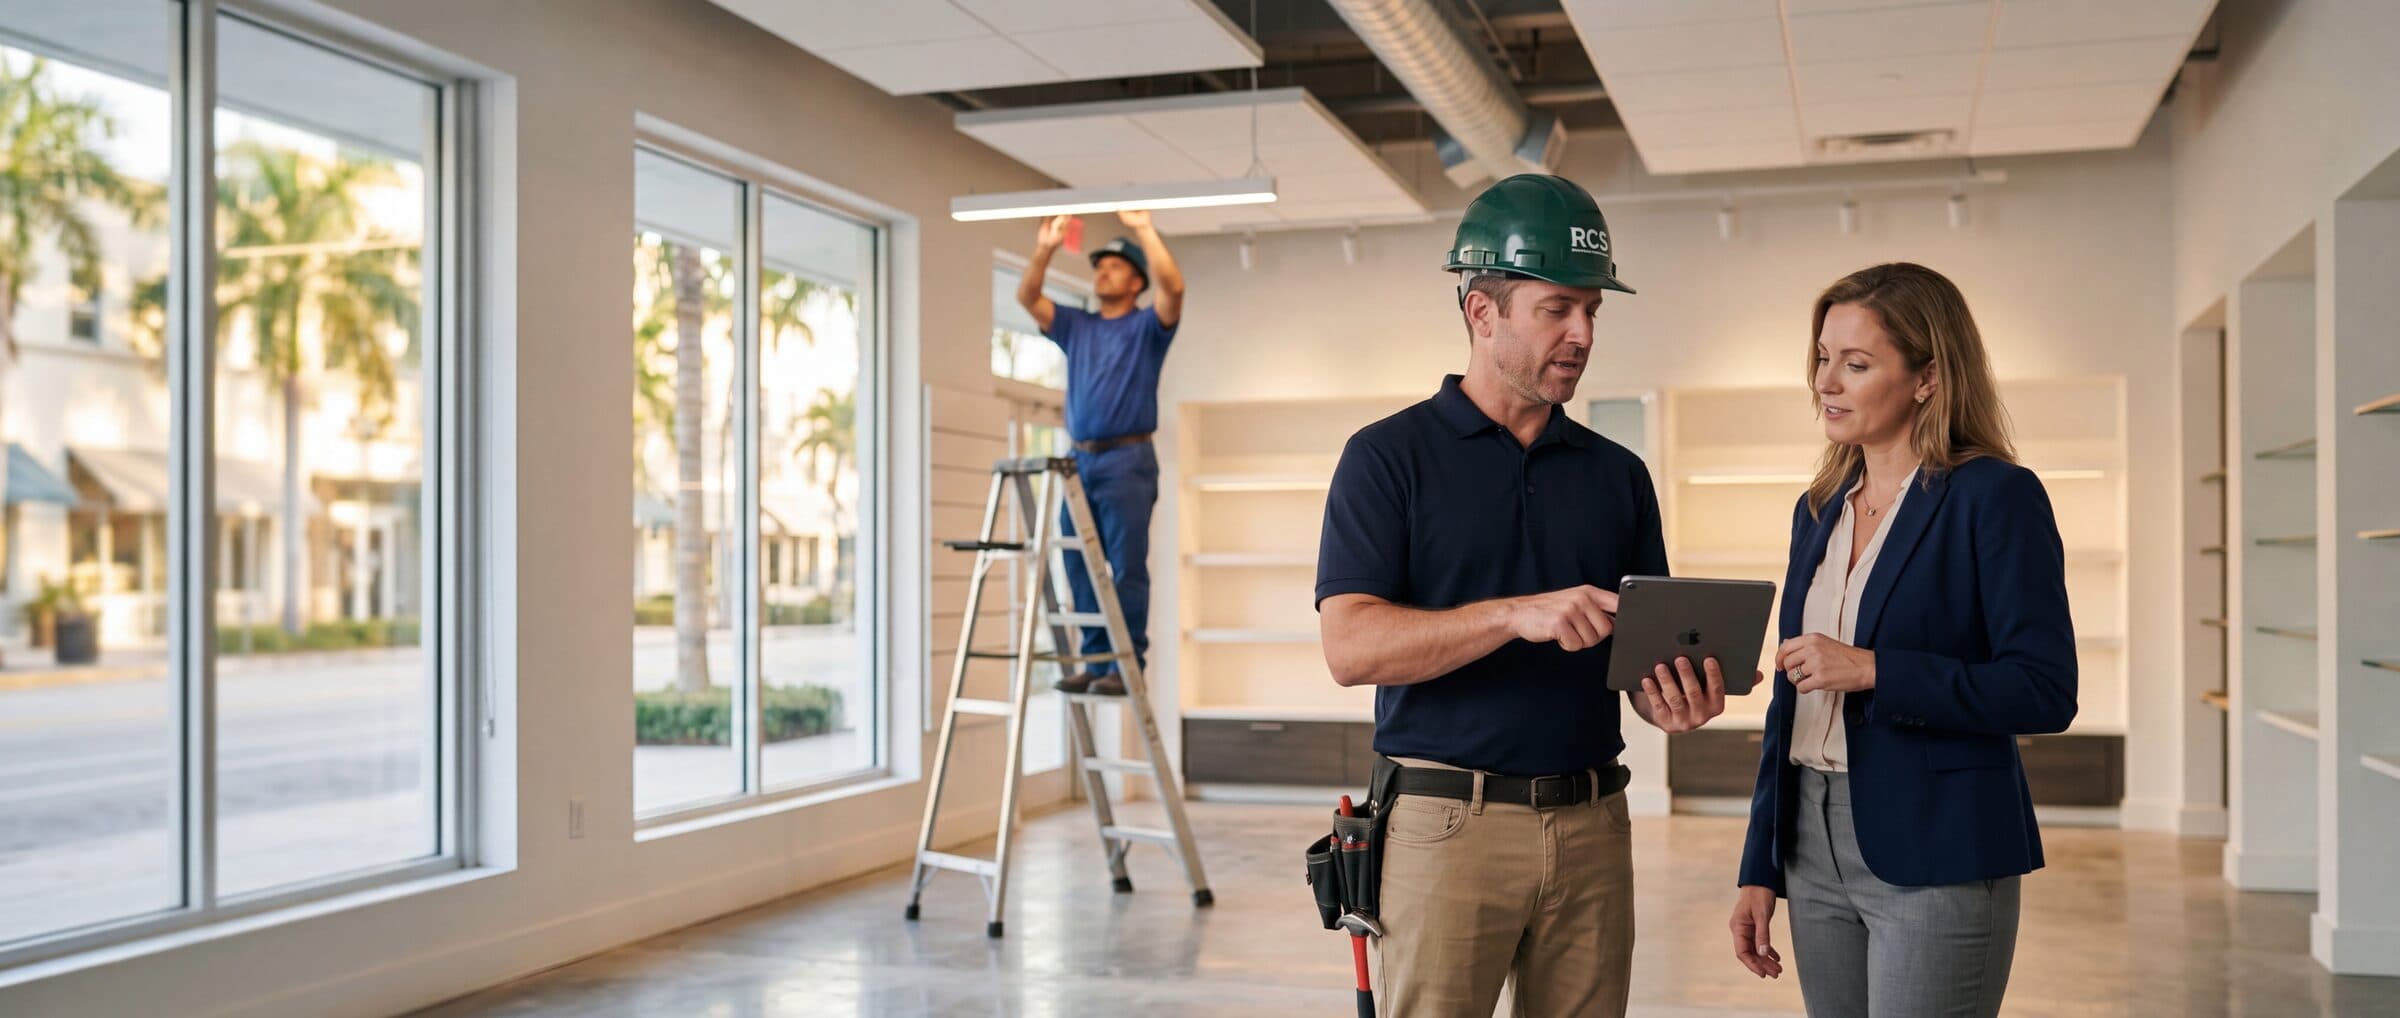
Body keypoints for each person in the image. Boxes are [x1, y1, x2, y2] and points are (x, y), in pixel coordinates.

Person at [1315, 173, 1739, 1018]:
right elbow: (1351, 648)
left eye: (1593, 311)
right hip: (1444, 828)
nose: (1582, 333)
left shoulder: (1618, 476)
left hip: (1592, 825)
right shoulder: (1386, 458)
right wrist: (1515, 614)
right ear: (1482, 311)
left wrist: (1677, 702)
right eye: (1558, 309)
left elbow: (1642, 667)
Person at [1726, 262, 2078, 1017]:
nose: (1828, 381)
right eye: (1823, 357)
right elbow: (1793, 699)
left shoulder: (1995, 496)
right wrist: (1760, 864)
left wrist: (1878, 671)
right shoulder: (1818, 508)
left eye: (1857, 364)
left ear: (1927, 377)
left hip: (1938, 848)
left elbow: (2045, 689)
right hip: (1810, 843)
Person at [1017, 210, 1184, 695]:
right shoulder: (1077, 327)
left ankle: (1124, 664)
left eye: (1113, 266)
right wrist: (1045, 248)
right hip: (1080, 460)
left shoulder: (1147, 328)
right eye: (1099, 266)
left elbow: (1173, 289)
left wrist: (1145, 230)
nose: (1101, 272)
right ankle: (1095, 656)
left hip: (1127, 461)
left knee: (1126, 564)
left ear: (1136, 282)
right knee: (1077, 560)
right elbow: (1027, 296)